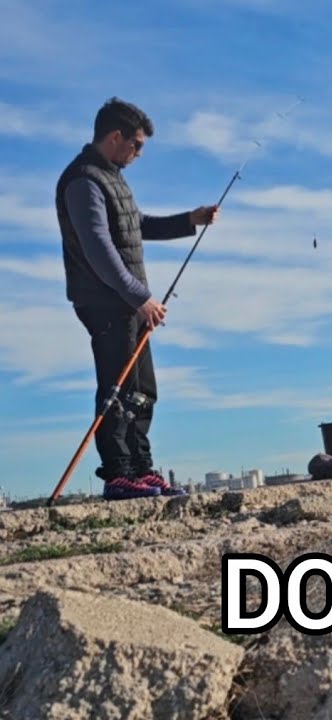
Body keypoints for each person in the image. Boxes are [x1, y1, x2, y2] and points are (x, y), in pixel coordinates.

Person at [55, 97, 219, 500]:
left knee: (143, 388)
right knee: (117, 386)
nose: (139, 153)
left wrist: (189, 221)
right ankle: (119, 473)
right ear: (116, 137)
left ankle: (142, 469)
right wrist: (141, 296)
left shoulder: (112, 177)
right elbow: (98, 248)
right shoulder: (83, 181)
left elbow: (136, 225)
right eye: (137, 145)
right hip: (106, 302)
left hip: (130, 304)